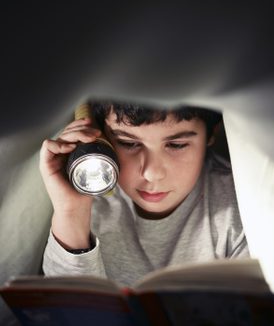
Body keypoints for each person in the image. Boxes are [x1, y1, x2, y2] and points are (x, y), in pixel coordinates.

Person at [40, 99, 249, 286]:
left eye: (176, 145)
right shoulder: (87, 202)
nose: (152, 173)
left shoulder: (242, 208)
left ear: (212, 134)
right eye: (128, 143)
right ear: (102, 135)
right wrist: (70, 214)